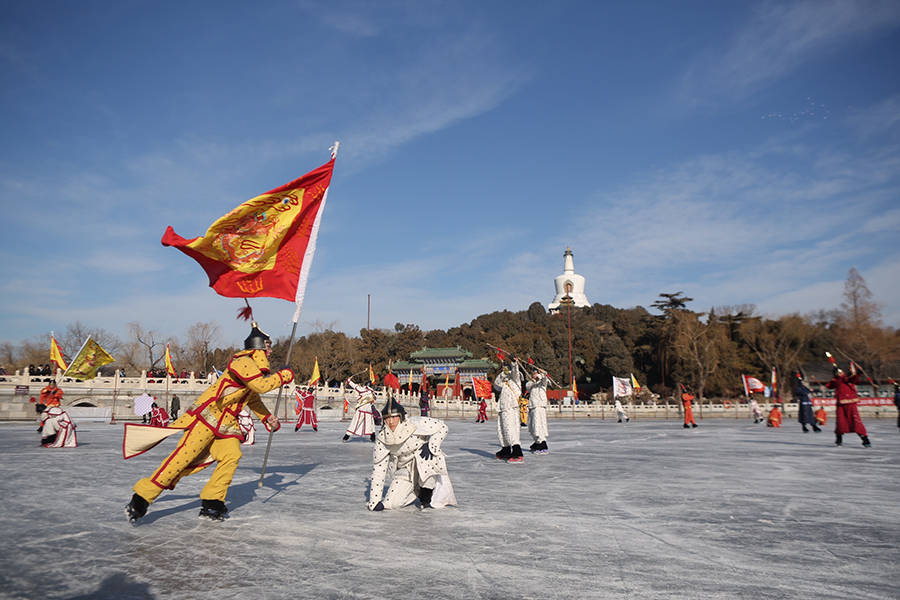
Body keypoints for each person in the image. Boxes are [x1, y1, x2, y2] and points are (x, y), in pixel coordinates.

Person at [123, 321, 291, 523]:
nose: (271, 352)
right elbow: (261, 386)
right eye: (268, 346)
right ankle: (141, 498)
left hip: (226, 424)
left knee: (232, 455)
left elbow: (252, 396)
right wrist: (285, 375)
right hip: (207, 418)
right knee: (182, 459)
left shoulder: (254, 368)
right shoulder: (242, 363)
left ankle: (213, 501)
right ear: (259, 347)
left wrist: (266, 417)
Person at [367, 398, 456, 511]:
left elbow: (442, 427)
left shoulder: (415, 423)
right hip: (405, 468)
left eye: (394, 417)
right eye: (387, 418)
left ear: (401, 416)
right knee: (393, 503)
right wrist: (374, 501)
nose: (391, 421)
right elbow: (379, 470)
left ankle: (426, 496)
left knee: (429, 460)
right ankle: (415, 489)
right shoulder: (382, 438)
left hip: (424, 460)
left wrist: (431, 445)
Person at [826, 362, 871, 447]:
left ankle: (865, 439)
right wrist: (835, 376)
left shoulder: (847, 378)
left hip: (851, 403)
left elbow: (854, 379)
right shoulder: (836, 380)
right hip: (840, 404)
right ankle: (839, 438)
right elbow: (830, 385)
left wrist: (858, 373)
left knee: (855, 421)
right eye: (838, 372)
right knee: (840, 422)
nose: (840, 373)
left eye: (841, 372)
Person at [493, 361, 524, 462]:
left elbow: (515, 372)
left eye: (506, 368)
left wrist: (514, 364)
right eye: (503, 368)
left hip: (511, 407)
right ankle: (505, 448)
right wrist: (503, 374)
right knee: (502, 429)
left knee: (510, 429)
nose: (504, 369)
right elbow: (496, 385)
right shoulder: (504, 381)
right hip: (503, 408)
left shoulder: (516, 379)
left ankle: (516, 450)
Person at [342, 377, 377, 442]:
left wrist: (349, 380)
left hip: (361, 409)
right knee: (370, 424)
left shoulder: (361, 389)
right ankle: (373, 438)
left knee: (355, 423)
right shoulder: (372, 392)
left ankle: (346, 437)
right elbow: (375, 398)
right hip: (368, 410)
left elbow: (354, 386)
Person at [525, 370, 550, 453]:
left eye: (536, 373)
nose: (535, 374)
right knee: (532, 426)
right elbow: (528, 387)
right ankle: (537, 442)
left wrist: (542, 374)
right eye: (534, 373)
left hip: (539, 406)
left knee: (539, 424)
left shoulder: (543, 382)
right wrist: (535, 379)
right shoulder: (530, 383)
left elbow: (544, 379)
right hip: (532, 406)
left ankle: (542, 443)